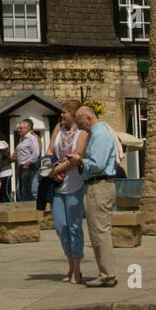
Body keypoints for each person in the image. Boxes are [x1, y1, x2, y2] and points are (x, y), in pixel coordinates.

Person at [66, 105, 118, 288]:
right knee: (98, 232)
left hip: (99, 185)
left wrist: (79, 160)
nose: (80, 128)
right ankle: (105, 272)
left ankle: (107, 275)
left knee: (100, 232)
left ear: (87, 117)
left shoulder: (100, 134)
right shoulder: (96, 133)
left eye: (80, 124)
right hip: (95, 185)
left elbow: (98, 163)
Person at [46, 99, 88, 283]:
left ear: (73, 114)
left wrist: (55, 170)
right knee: (61, 227)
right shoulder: (59, 129)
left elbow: (76, 157)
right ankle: (69, 265)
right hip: (57, 186)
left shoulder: (82, 132)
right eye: (61, 112)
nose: (61, 115)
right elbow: (49, 150)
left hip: (74, 184)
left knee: (74, 227)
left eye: (65, 112)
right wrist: (49, 169)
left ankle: (76, 270)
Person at [12, 119, 41, 202]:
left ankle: (31, 209)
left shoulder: (32, 138)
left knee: (27, 190)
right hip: (21, 167)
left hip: (28, 167)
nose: (19, 130)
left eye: (21, 128)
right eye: (18, 128)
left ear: (28, 128)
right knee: (20, 190)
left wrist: (28, 163)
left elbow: (36, 153)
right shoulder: (21, 139)